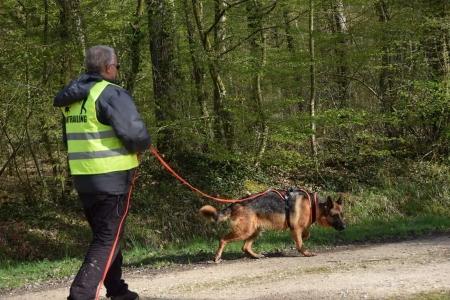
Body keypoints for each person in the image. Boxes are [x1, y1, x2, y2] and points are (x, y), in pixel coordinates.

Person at [54, 45, 150, 300]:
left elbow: (69, 139)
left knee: (106, 236)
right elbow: (134, 134)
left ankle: (117, 290)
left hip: (83, 178)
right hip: (112, 178)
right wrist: (141, 146)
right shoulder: (110, 93)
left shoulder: (72, 98)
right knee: (107, 239)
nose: (117, 70)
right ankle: (80, 295)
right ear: (108, 67)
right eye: (117, 66)